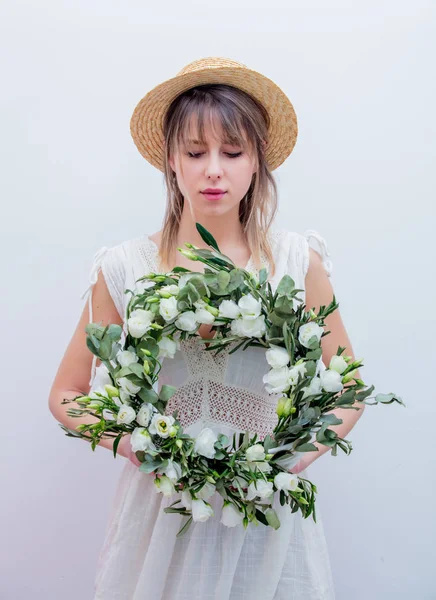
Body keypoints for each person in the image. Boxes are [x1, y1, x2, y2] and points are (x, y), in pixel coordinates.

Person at [49, 56, 365, 599]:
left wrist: (290, 457)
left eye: (232, 152)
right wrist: (137, 445)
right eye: (196, 153)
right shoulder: (128, 268)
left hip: (268, 519)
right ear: (171, 160)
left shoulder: (294, 262)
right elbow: (67, 394)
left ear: (257, 162)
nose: (213, 169)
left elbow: (350, 389)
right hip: (161, 514)